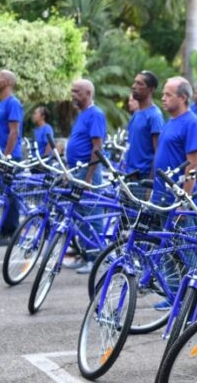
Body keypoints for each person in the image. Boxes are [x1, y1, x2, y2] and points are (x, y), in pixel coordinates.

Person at [65, 79, 107, 274]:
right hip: (77, 170)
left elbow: (97, 148)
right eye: (72, 91)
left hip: (87, 172)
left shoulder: (96, 114)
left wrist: (88, 178)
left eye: (77, 91)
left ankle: (95, 259)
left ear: (88, 93)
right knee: (80, 216)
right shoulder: (82, 114)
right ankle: (85, 255)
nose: (73, 95)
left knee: (92, 215)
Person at [152, 77, 197, 203]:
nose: (163, 98)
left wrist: (183, 203)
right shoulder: (169, 122)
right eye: (163, 94)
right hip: (162, 197)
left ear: (183, 98)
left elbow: (193, 165)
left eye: (168, 95)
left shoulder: (192, 123)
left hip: (177, 202)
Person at [126, 71, 164, 188]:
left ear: (151, 89)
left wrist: (150, 185)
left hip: (143, 179)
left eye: (139, 84)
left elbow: (158, 152)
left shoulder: (154, 116)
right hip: (130, 176)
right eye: (134, 82)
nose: (134, 86)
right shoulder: (136, 114)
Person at [0, 70, 23, 239]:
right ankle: (4, 228)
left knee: (10, 192)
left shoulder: (13, 103)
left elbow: (14, 132)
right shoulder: (0, 102)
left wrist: (6, 157)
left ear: (7, 82)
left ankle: (11, 232)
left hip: (9, 157)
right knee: (2, 192)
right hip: (0, 156)